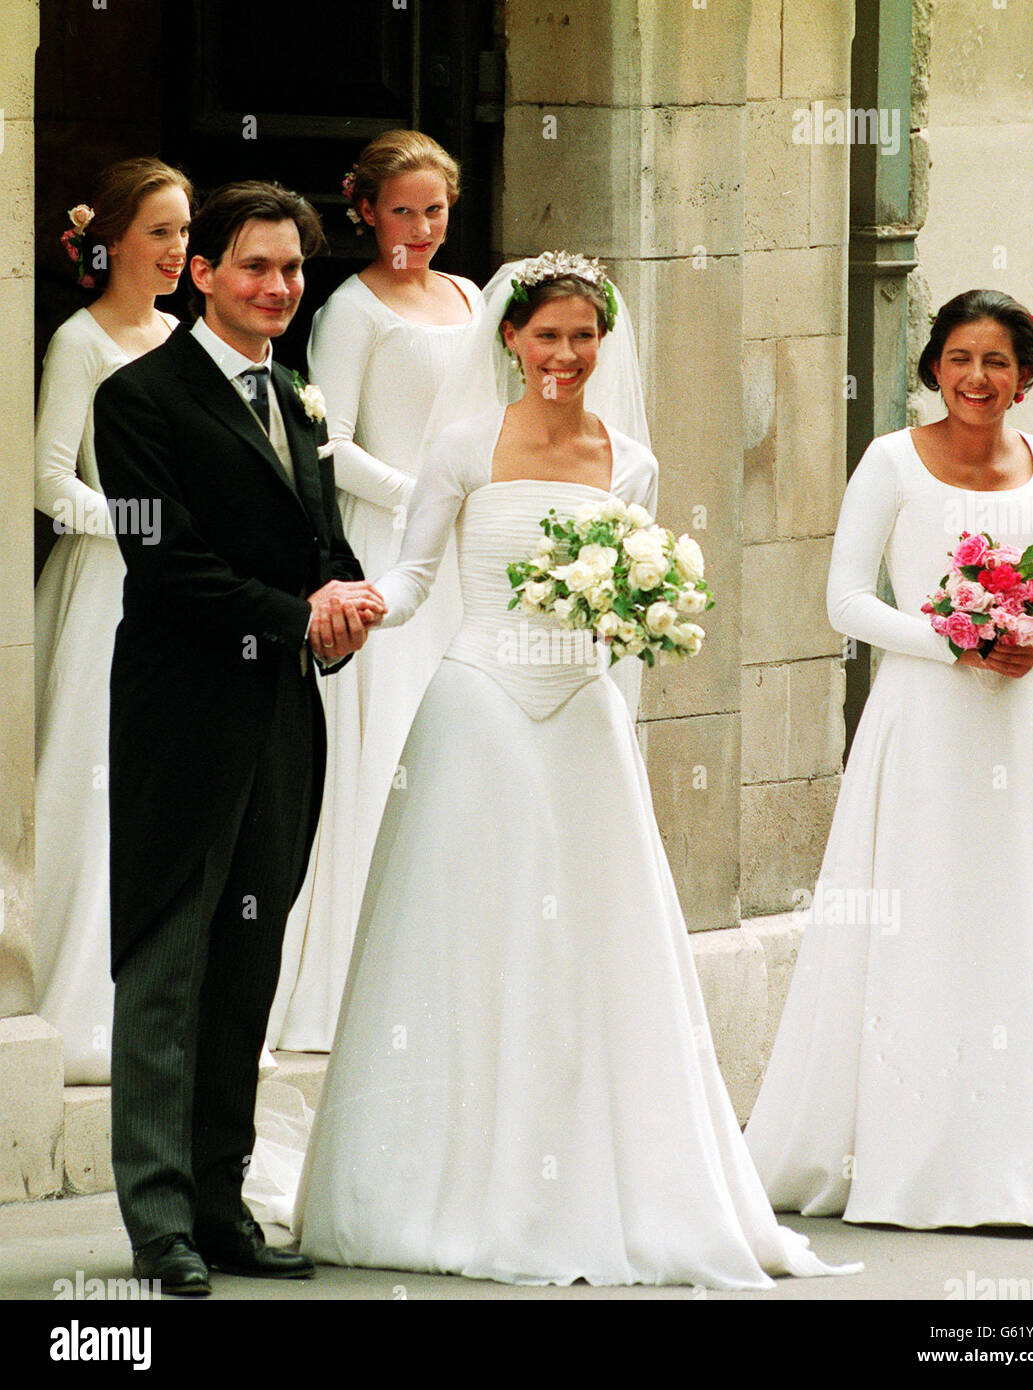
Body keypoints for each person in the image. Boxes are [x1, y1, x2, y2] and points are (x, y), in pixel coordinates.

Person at [292, 254, 858, 1289]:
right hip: (478, 709)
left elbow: (631, 609)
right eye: (545, 335)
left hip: (581, 715)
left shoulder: (630, 462)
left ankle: (594, 1174)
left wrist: (642, 616)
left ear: (604, 344)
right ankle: (444, 1181)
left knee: (593, 941)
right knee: (468, 934)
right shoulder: (461, 445)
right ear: (509, 339)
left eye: (581, 337)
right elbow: (415, 582)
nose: (563, 355)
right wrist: (352, 603)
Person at [744, 289, 1033, 1231]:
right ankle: (910, 1153)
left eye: (996, 361)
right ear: (933, 367)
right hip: (925, 722)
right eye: (958, 358)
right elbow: (847, 601)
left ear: (1025, 376)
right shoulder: (890, 461)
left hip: (1019, 725)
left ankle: (1031, 1155)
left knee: (1022, 913)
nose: (976, 378)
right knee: (922, 914)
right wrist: (956, 641)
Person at [93, 181, 385, 1296]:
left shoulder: (297, 396)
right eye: (255, 267)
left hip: (280, 721)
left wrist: (348, 604)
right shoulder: (136, 400)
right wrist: (290, 613)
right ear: (201, 271)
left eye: (293, 271)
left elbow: (324, 541)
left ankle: (222, 1207)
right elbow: (161, 569)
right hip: (181, 720)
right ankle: (159, 1224)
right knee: (166, 970)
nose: (278, 288)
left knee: (246, 969)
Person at [267, 131, 481, 1053]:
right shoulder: (351, 309)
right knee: (390, 739)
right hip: (393, 537)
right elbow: (330, 440)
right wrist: (425, 497)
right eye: (404, 211)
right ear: (364, 211)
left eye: (436, 210)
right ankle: (358, 976)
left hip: (470, 545)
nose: (422, 228)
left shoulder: (473, 297)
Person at [34, 157, 192, 1084]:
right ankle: (80, 1000)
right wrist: (140, 522)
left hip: (179, 590)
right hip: (106, 587)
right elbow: (50, 481)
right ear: (116, 242)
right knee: (96, 783)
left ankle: (158, 1000)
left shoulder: (184, 336)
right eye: (160, 232)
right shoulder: (81, 340)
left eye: (184, 231)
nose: (178, 250)